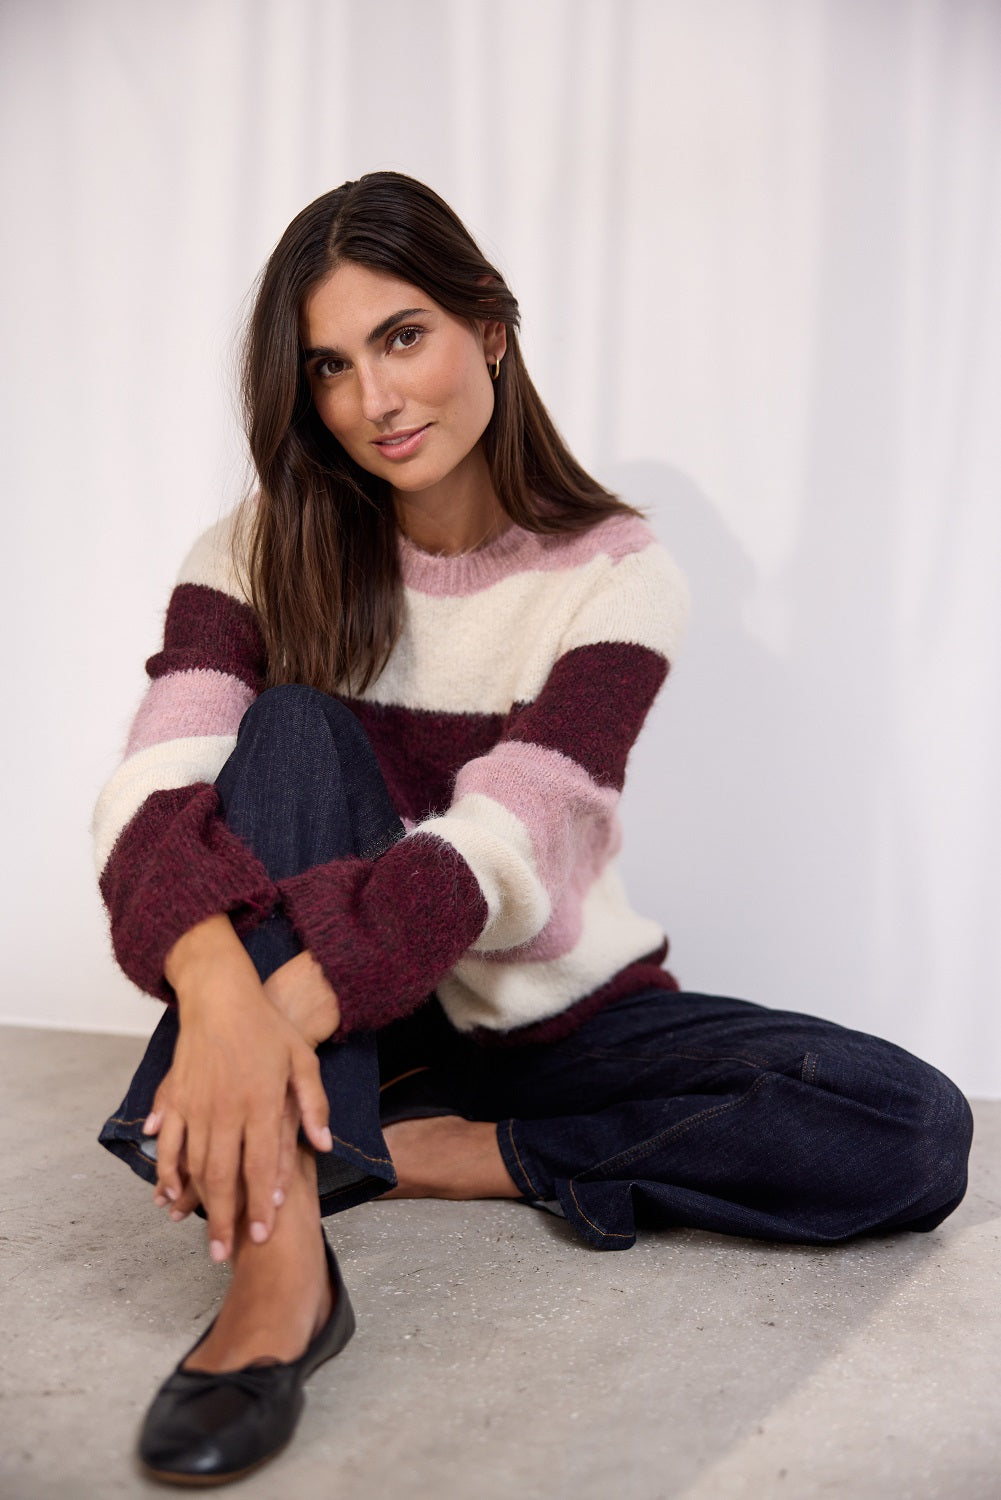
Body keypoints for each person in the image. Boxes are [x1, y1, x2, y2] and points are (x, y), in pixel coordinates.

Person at [94, 171, 973, 1488]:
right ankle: (280, 1284)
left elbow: (509, 838)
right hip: (357, 1026)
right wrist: (222, 998)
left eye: (402, 338)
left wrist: (277, 1018)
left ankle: (442, 1156)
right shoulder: (258, 547)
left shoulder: (617, 572)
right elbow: (155, 786)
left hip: (537, 1016)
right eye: (330, 367)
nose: (374, 400)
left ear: (489, 330)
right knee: (292, 728)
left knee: (908, 1126)